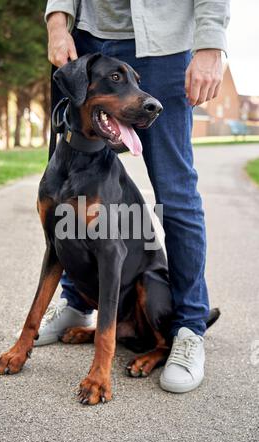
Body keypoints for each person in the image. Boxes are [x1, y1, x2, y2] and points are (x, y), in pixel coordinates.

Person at [29, 0, 230, 393]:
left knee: (174, 190)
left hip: (164, 44)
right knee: (67, 198)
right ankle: (77, 305)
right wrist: (57, 24)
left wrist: (210, 44)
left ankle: (186, 327)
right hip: (85, 35)